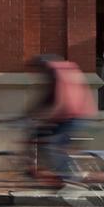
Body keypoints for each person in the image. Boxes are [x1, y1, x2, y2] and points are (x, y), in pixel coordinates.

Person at [26, 54, 94, 186]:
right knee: (40, 136)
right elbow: (47, 100)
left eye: (37, 69)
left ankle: (70, 177)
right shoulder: (64, 72)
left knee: (54, 145)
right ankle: (45, 170)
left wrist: (37, 116)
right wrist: (31, 114)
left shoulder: (55, 74)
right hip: (79, 114)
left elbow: (55, 100)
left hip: (70, 117)